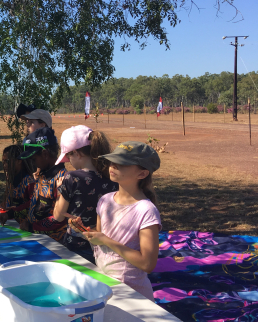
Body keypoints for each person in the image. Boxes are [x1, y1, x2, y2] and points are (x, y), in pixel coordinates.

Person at [70, 141, 162, 301]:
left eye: (122, 163)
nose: (113, 166)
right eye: (113, 161)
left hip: (133, 295)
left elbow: (148, 264)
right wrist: (83, 230)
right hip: (104, 286)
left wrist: (106, 240)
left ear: (142, 174)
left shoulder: (146, 211)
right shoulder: (105, 201)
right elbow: (99, 240)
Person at [52, 125, 118, 263]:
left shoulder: (72, 178)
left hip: (77, 248)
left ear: (77, 153)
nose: (69, 161)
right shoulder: (111, 176)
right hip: (106, 247)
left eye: (68, 156)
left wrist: (60, 191)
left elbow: (58, 216)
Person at [17, 127, 69, 242]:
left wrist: (32, 227)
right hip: (34, 238)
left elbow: (58, 219)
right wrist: (12, 212)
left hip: (52, 243)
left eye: (34, 159)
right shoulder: (42, 175)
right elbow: (35, 203)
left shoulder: (62, 180)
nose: (33, 163)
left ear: (45, 154)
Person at [0, 145, 35, 226]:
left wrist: (11, 213)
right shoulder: (11, 178)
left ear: (19, 161)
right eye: (3, 161)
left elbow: (33, 205)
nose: (4, 165)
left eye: (7, 161)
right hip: (11, 223)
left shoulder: (29, 183)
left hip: (24, 226)